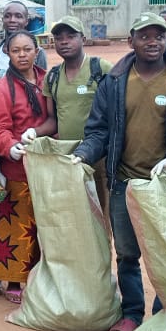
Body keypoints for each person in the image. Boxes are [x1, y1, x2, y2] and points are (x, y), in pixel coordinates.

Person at [71, 12, 166, 331]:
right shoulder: (115, 81)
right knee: (127, 254)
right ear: (131, 40)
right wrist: (84, 154)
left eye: (159, 36)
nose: (152, 42)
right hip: (124, 183)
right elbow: (98, 129)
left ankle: (164, 315)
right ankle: (132, 313)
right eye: (144, 36)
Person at [0, 30, 55, 304]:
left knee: (45, 225)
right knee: (15, 224)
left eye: (27, 49)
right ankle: (14, 279)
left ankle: (42, 275)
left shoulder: (48, 79)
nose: (22, 55)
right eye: (16, 50)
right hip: (16, 168)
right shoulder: (1, 88)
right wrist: (10, 146)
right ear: (7, 53)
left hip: (47, 165)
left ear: (37, 50)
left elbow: (56, 116)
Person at [43, 15, 113, 213]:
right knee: (74, 215)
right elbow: (52, 120)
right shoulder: (53, 76)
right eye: (58, 38)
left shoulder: (101, 69)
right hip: (68, 157)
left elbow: (118, 114)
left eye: (71, 36)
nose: (64, 42)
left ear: (83, 39)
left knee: (101, 212)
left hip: (99, 158)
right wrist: (32, 132)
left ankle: (105, 245)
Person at [0, 1, 47, 76]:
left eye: (18, 16)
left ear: (26, 21)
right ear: (2, 20)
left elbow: (41, 82)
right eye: (7, 16)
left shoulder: (38, 53)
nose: (12, 20)